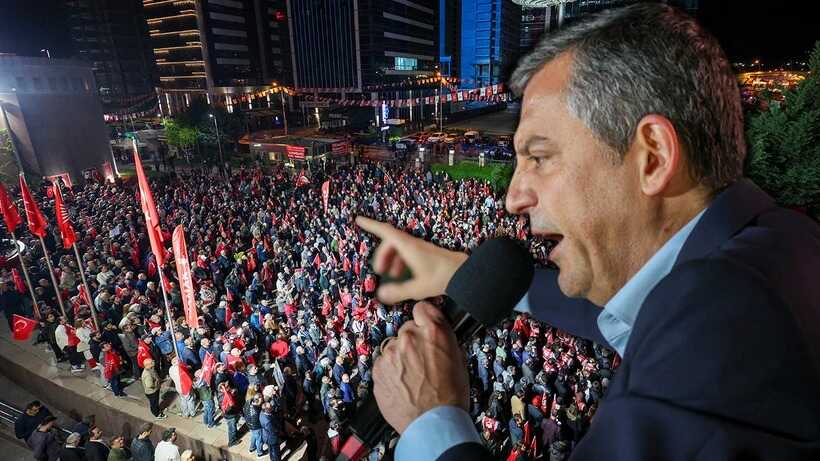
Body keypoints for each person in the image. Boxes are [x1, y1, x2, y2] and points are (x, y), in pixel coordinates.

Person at [355, 3, 820, 461]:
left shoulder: (723, 327)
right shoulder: (773, 246)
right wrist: (457, 270)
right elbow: (621, 320)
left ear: (653, 157)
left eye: (539, 156)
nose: (513, 197)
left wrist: (432, 424)